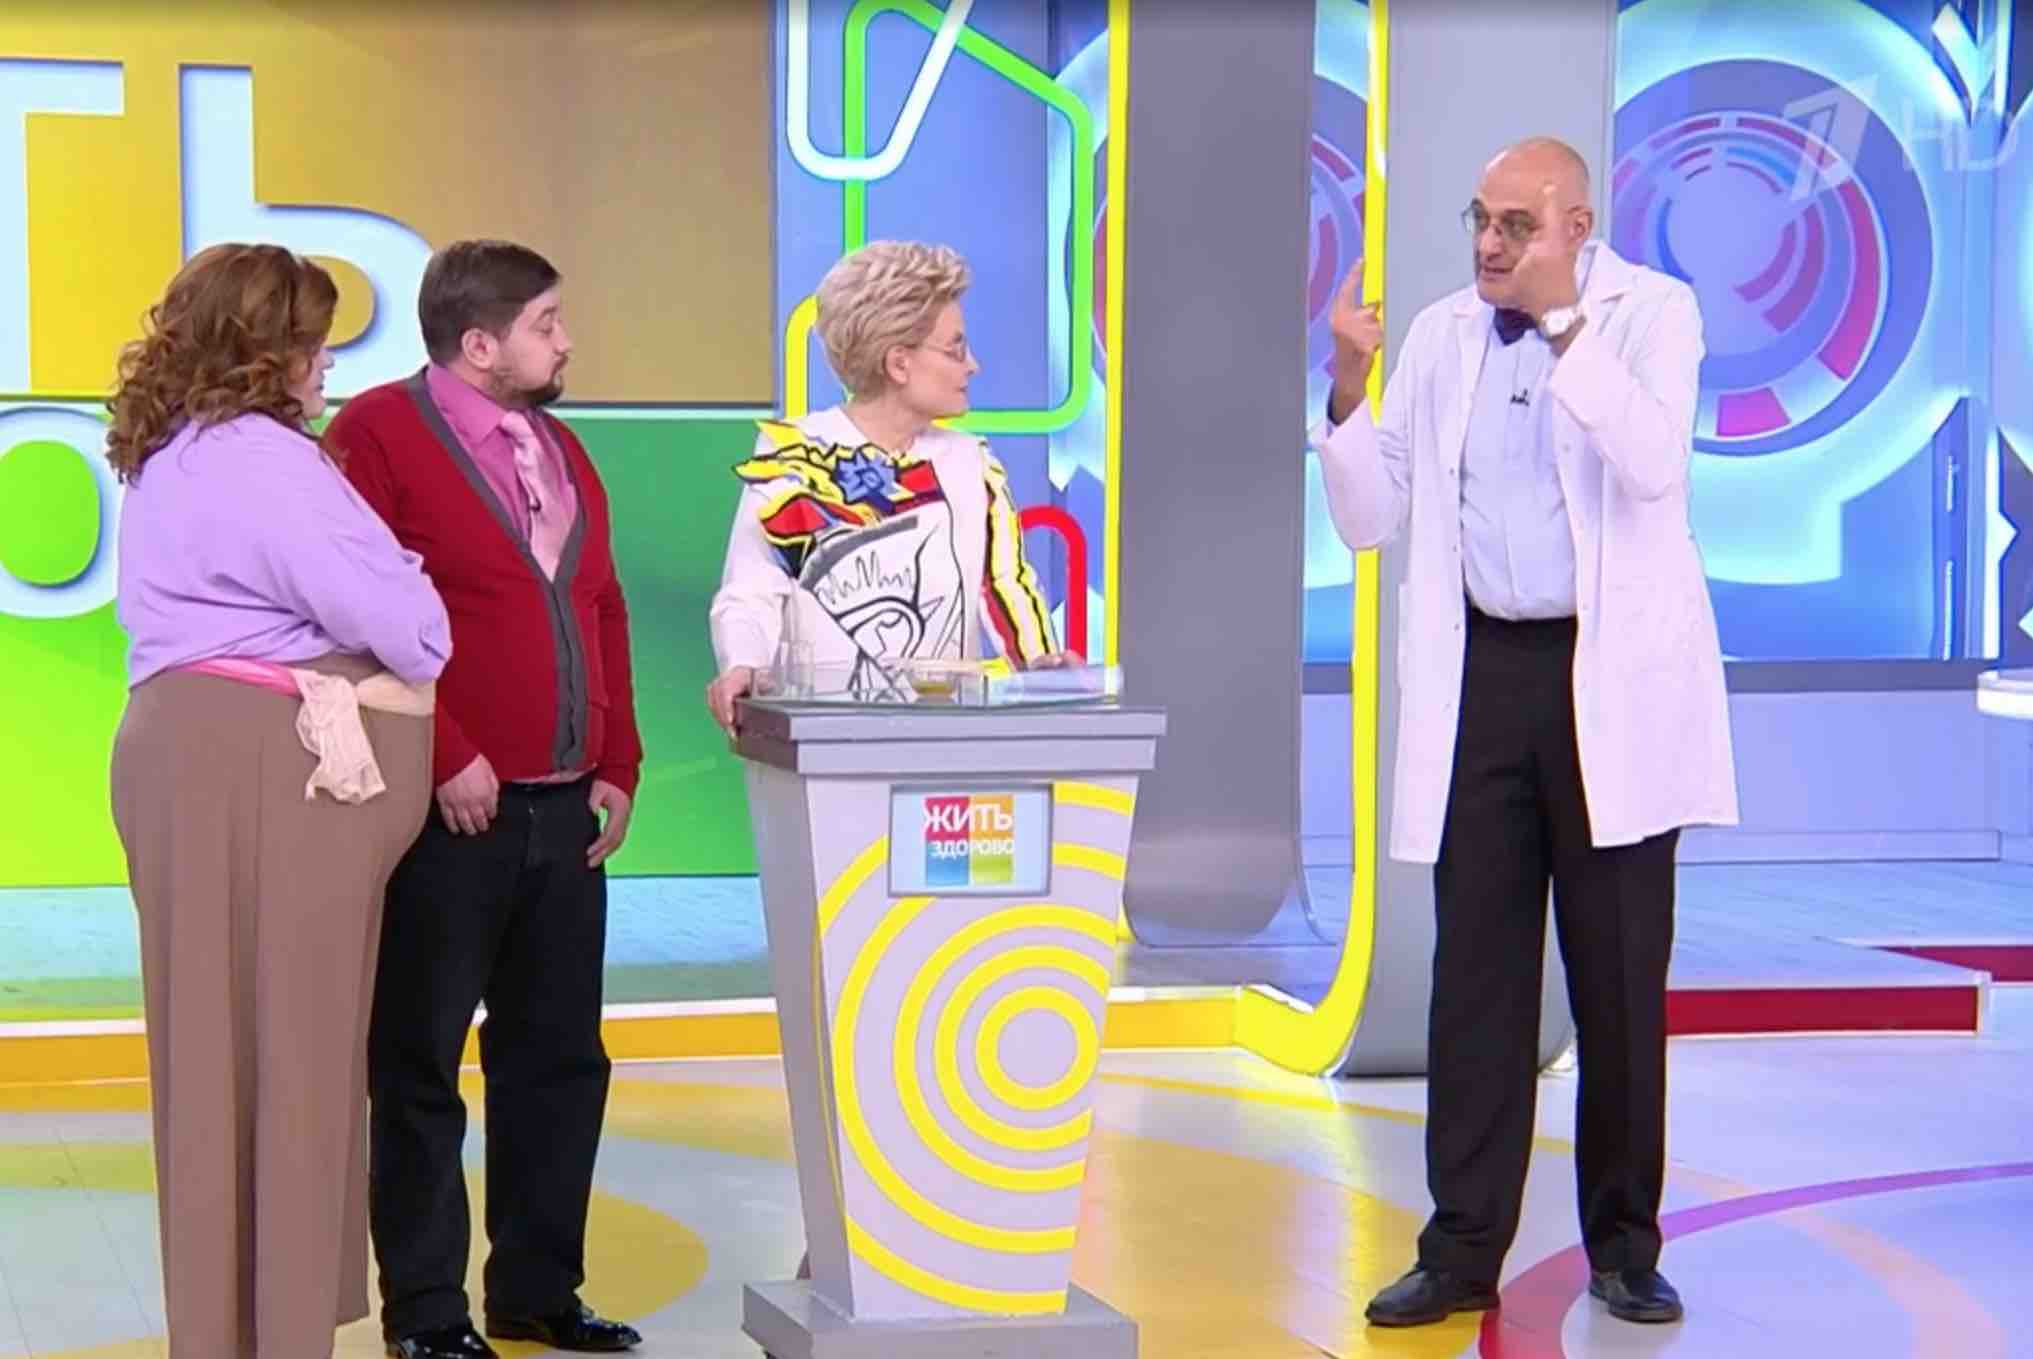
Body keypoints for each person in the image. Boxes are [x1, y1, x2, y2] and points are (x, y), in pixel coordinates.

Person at [1313, 138, 1739, 1328]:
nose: (1489, 244)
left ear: (1575, 227)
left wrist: (1562, 330)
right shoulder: (1441, 333)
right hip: (1483, 678)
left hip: (1607, 682)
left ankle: (1624, 1246)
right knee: (1475, 983)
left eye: (1515, 225)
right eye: (1480, 220)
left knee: (1616, 979)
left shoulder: (1654, 315)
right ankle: (1458, 1251)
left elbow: (1650, 467)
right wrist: (1346, 387)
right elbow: (1369, 519)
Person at [105, 243, 450, 1359]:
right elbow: (411, 629)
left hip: (182, 753)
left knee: (209, 1069)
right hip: (269, 771)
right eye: (315, 342)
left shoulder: (169, 454)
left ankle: (223, 1328)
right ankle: (284, 1331)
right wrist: (410, 590)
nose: (326, 365)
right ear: (270, 349)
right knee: (297, 1065)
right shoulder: (268, 460)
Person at [324, 241, 644, 1359]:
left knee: (559, 1059)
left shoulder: (561, 447)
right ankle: (426, 1313)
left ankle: (537, 1291)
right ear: (478, 342)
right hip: (443, 815)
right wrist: (444, 750)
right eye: (546, 325)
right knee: (418, 1062)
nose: (565, 343)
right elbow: (353, 611)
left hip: (566, 810)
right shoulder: (374, 435)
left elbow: (601, 605)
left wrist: (619, 761)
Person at [706, 239, 1076, 729]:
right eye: (955, 348)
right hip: (824, 743)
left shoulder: (973, 463)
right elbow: (753, 585)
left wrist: (1042, 666)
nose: (973, 365)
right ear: (899, 363)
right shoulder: (797, 457)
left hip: (943, 744)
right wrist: (742, 663)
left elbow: (1006, 583)